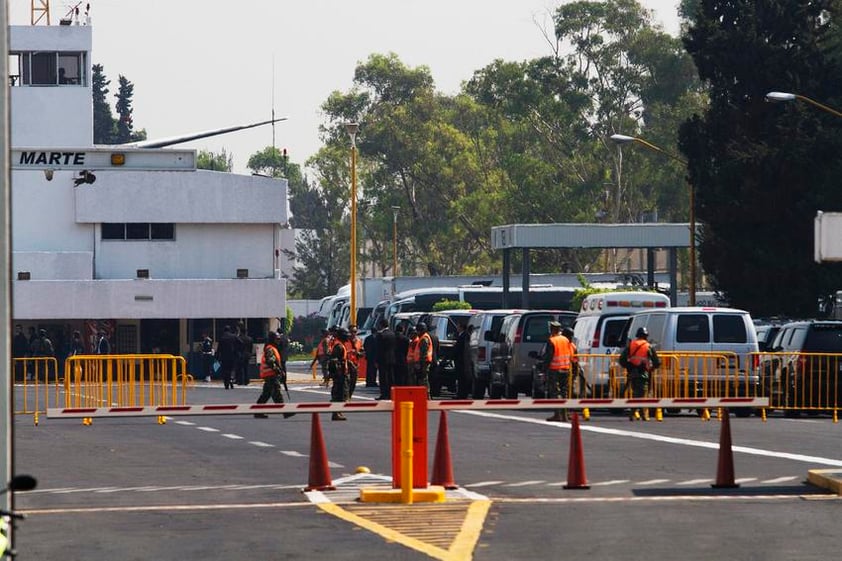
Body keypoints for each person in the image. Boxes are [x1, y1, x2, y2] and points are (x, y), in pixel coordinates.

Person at [619, 326, 661, 421]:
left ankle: (641, 413)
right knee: (642, 394)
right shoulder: (648, 346)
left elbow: (622, 359)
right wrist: (652, 368)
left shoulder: (631, 345)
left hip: (633, 373)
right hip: (643, 373)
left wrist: (628, 366)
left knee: (637, 393)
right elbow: (656, 361)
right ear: (646, 336)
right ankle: (634, 412)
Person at [253, 331, 295, 419]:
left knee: (266, 394)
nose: (278, 340)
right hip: (271, 375)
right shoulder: (270, 349)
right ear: (272, 339)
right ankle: (285, 412)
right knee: (277, 393)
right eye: (277, 339)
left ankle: (257, 412)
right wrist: (278, 370)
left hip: (270, 374)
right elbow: (270, 361)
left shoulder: (272, 348)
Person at [542, 321, 573, 422]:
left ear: (552, 329)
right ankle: (565, 414)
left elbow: (549, 357)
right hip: (566, 368)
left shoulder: (552, 341)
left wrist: (544, 369)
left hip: (555, 369)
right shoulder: (566, 339)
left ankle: (558, 414)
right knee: (564, 392)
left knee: (555, 392)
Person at [328, 327, 351, 421]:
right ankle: (336, 413)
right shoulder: (339, 347)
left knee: (342, 393)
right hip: (339, 375)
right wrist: (337, 372)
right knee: (338, 393)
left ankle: (339, 412)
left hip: (342, 374)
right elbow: (334, 361)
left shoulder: (342, 345)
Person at [374, 319, 396, 400]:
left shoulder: (380, 335)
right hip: (392, 358)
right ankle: (391, 394)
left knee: (383, 377)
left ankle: (384, 394)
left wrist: (376, 360)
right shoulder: (392, 334)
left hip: (383, 359)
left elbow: (378, 349)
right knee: (391, 377)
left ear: (381, 325)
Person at [214, 325, 239, 390]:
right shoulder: (234, 336)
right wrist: (236, 350)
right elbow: (240, 343)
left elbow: (219, 349)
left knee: (225, 370)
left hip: (224, 357)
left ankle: (226, 384)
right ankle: (231, 379)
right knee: (231, 369)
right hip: (232, 356)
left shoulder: (222, 338)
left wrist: (217, 357)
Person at [415, 322, 434, 397]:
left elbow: (423, 353)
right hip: (423, 363)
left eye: (418, 330)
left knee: (424, 380)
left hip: (424, 363)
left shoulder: (424, 339)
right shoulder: (423, 337)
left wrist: (420, 364)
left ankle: (427, 397)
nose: (417, 332)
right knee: (422, 380)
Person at [453, 322, 471, 399]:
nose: (457, 328)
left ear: (461, 327)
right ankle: (460, 393)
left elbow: (462, 349)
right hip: (459, 360)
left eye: (458, 326)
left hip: (462, 361)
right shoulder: (461, 335)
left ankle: (462, 394)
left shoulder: (464, 336)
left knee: (462, 378)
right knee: (460, 378)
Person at [345, 325, 363, 397]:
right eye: (351, 331)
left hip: (355, 364)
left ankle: (349, 395)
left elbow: (362, 352)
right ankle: (345, 395)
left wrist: (358, 353)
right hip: (347, 363)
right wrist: (349, 351)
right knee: (346, 381)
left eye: (355, 332)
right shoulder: (346, 340)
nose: (353, 333)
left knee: (353, 381)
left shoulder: (359, 341)